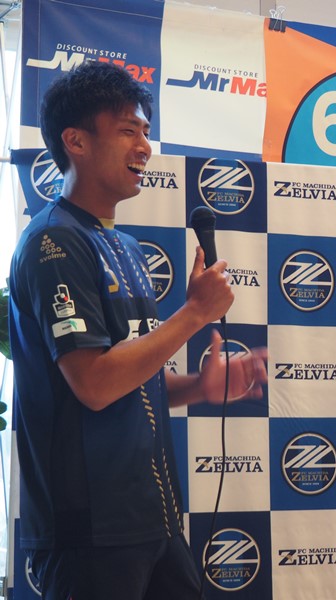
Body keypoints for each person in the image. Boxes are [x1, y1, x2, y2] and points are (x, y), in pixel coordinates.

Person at [8, 61, 268, 600]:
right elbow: (94, 384)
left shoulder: (124, 246)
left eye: (146, 132)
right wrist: (194, 314)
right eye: (128, 130)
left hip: (155, 520)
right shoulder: (53, 242)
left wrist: (199, 387)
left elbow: (132, 383)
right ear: (76, 141)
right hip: (90, 533)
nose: (145, 146)